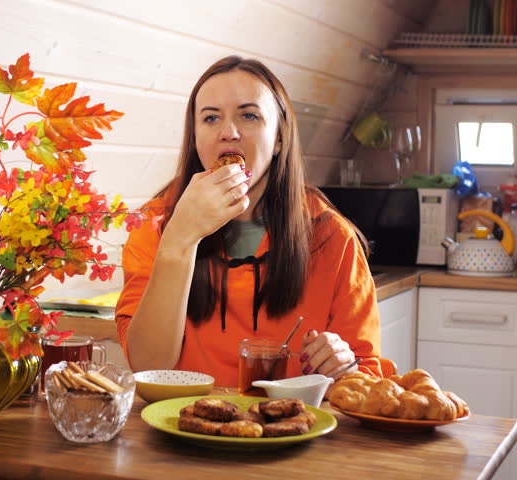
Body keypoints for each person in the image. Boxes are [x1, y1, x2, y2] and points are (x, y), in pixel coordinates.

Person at [115, 55, 383, 388]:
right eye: (211, 118)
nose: (229, 132)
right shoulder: (154, 224)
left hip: (291, 430)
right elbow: (147, 365)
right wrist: (180, 238)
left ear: (280, 138)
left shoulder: (331, 236)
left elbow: (366, 378)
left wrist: (345, 367)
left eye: (249, 115)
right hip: (183, 426)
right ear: (196, 138)